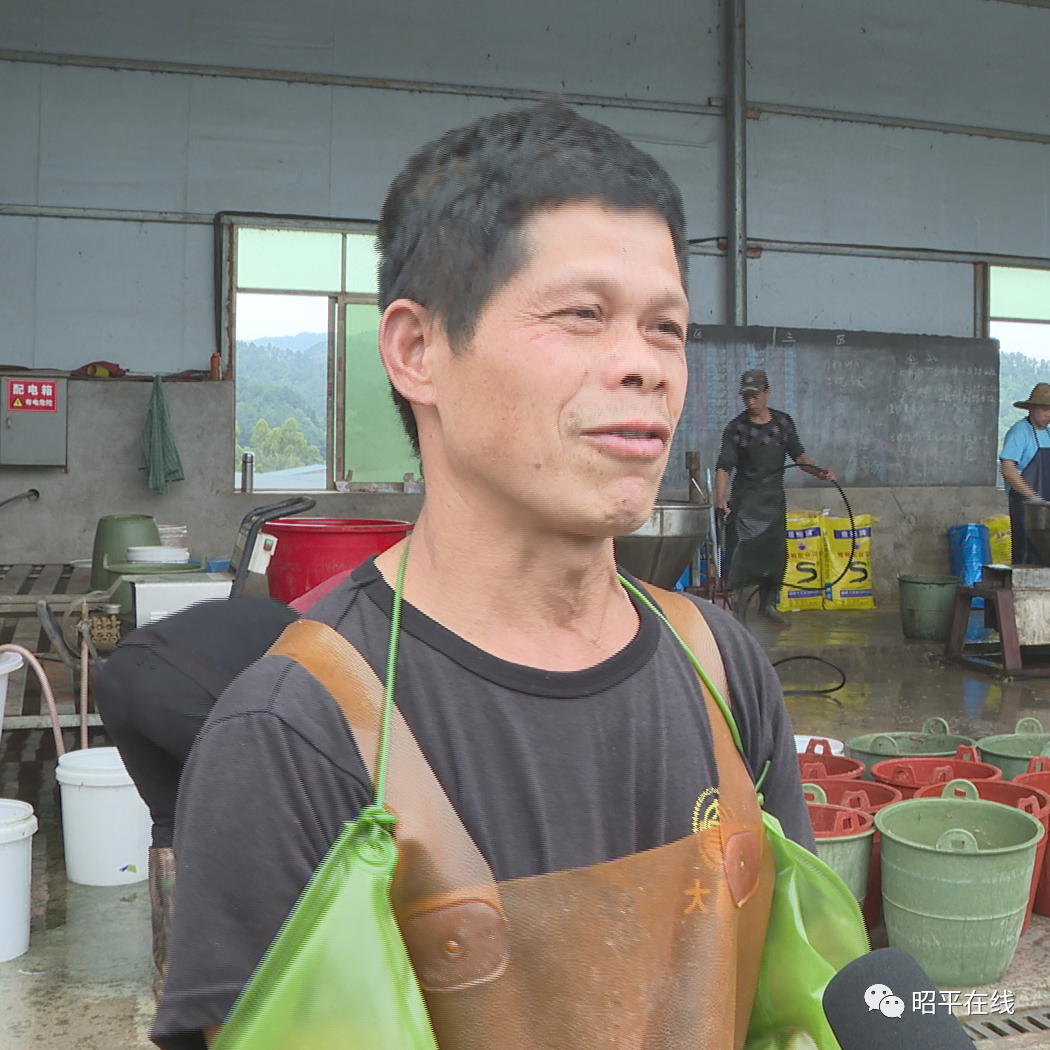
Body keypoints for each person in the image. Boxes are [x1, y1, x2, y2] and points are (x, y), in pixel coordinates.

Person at [152, 102, 814, 1050]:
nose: (646, 366)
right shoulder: (301, 733)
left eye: (666, 327)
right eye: (582, 314)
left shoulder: (720, 669)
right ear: (418, 352)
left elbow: (783, 1004)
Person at [94, 596, 298, 994]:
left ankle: (171, 976)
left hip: (117, 679)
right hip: (180, 694)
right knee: (260, 813)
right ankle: (260, 970)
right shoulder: (313, 642)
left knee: (169, 819)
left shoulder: (260, 616)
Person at [714, 368, 835, 626]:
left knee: (775, 555)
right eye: (746, 396)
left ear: (767, 393)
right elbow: (724, 465)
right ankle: (732, 611)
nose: (750, 401)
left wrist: (819, 472)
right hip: (746, 503)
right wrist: (720, 496)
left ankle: (768, 605)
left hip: (773, 503)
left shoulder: (782, 424)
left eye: (755, 395)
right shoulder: (736, 428)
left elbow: (800, 457)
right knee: (738, 555)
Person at [1000, 382, 1050, 564]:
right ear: (1031, 407)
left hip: (1046, 505)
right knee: (1028, 555)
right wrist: (1032, 496)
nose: (1048, 415)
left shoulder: (1048, 433)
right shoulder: (1020, 432)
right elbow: (1007, 469)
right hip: (1026, 506)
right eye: (1044, 409)